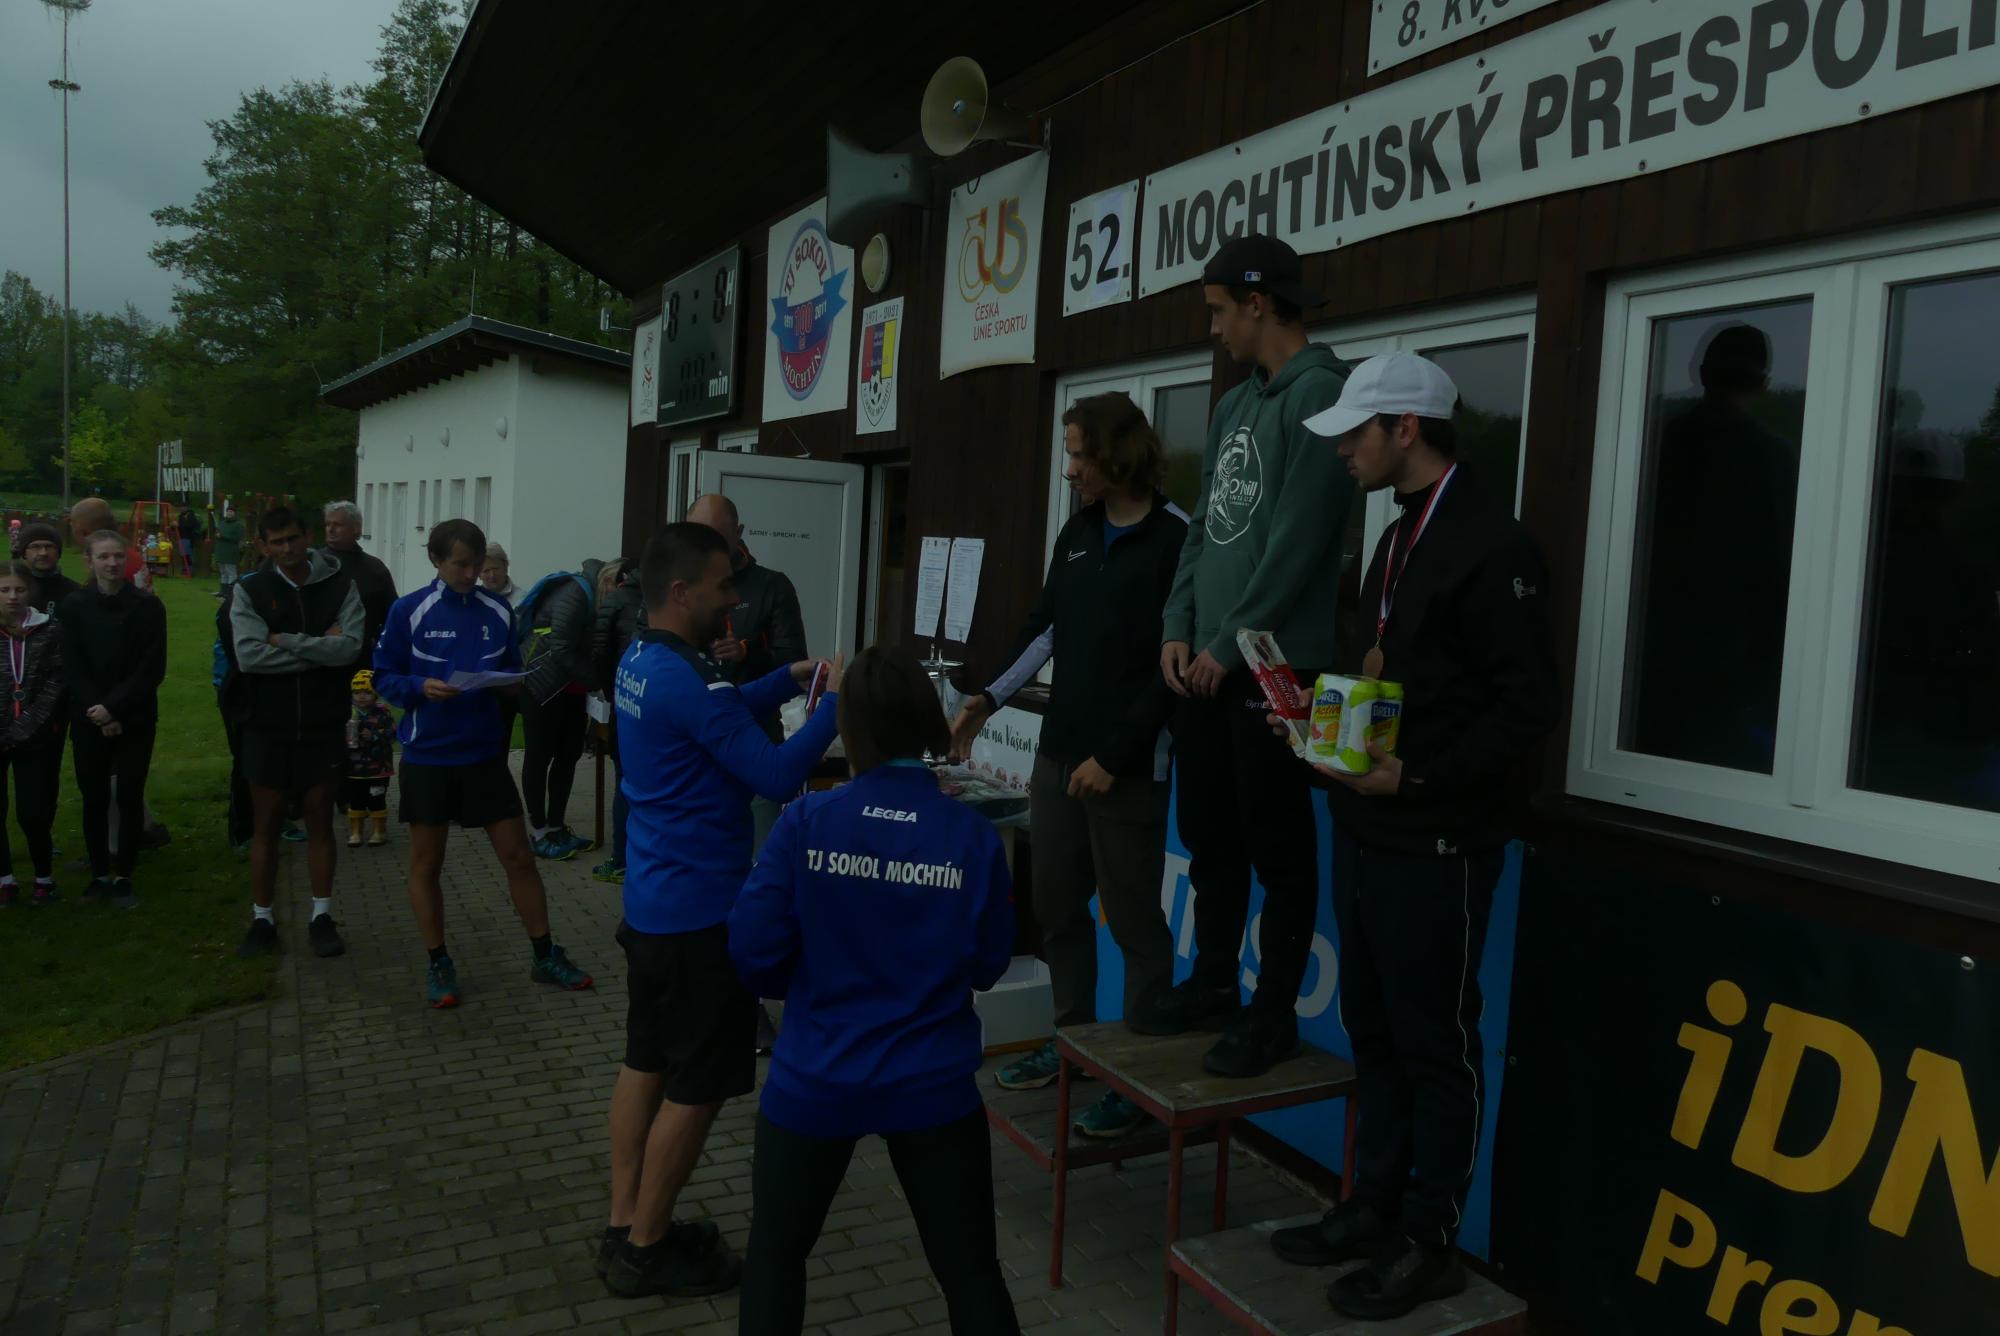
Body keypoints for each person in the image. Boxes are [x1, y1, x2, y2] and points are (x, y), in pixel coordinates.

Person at [1267, 353, 1559, 1321]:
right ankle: (1374, 1205)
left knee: (1435, 1045)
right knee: (1375, 1030)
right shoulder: (1393, 536)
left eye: (1354, 432)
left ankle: (1430, 1240)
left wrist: (1417, 775)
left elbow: (1523, 713)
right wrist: (1319, 724)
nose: (1341, 450)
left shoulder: (1494, 544)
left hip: (1436, 838)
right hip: (1364, 827)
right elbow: (1390, 677)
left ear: (1405, 428)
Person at [732, 646, 1019, 1334]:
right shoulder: (971, 836)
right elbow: (989, 964)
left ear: (847, 728)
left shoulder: (805, 822)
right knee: (971, 1273)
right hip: (932, 1083)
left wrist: (814, 987)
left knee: (774, 1258)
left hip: (814, 1075)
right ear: (926, 721)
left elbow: (751, 952)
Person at [597, 522, 839, 1300]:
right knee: (696, 1087)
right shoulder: (684, 679)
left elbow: (716, 709)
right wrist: (836, 706)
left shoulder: (645, 657)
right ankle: (649, 1248)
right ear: (680, 591)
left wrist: (785, 680)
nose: (734, 599)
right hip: (700, 920)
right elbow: (776, 774)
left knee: (645, 1061)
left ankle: (624, 1223)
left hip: (653, 906)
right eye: (723, 585)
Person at [951, 392, 1187, 1139]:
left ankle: (1137, 1082)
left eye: (1080, 455)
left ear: (1119, 454)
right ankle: (1074, 1044)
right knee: (1057, 910)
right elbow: (1044, 629)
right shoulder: (1078, 531)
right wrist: (988, 698)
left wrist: (1114, 757)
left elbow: (1174, 669)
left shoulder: (1177, 538)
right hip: (1057, 758)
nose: (1070, 470)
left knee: (1137, 926)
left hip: (1128, 770)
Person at [1154, 234, 1354, 1078]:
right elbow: (1204, 526)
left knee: (1279, 848)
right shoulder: (1236, 403)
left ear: (1258, 303)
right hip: (1205, 661)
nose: (1213, 330)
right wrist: (1178, 623)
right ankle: (1213, 982)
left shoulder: (1324, 394)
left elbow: (1298, 544)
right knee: (1210, 834)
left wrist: (1229, 643)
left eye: (1217, 311)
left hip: (1276, 666)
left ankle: (1272, 1018)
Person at [372, 518, 594, 1007]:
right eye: (461, 565)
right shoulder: (409, 610)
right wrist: (419, 687)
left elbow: (512, 668)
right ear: (436, 560)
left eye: (477, 565)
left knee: (518, 856)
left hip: (484, 755)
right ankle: (438, 963)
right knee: (426, 863)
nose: (472, 574)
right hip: (429, 755)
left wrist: (510, 684)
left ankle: (544, 954)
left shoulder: (497, 610)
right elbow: (383, 675)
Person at [686, 492, 808, 1053]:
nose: (706, 547)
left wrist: (747, 655)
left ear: (740, 533)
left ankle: (751, 1000)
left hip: (756, 746)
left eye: (716, 536)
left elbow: (794, 660)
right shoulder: (683, 585)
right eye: (697, 535)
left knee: (755, 875)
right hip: (699, 752)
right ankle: (709, 991)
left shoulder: (772, 586)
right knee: (705, 876)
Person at [229, 506, 364, 960]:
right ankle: (262, 919)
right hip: (266, 725)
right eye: (277, 541)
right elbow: (250, 657)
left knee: (320, 820)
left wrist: (283, 639)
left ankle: (321, 916)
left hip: (323, 724)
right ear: (263, 546)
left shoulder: (341, 585)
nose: (287, 548)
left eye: (293, 538)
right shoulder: (250, 590)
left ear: (308, 536)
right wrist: (318, 648)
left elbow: (349, 648)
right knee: (266, 823)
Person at [57, 529, 166, 908]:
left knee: (130, 795)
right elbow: (72, 665)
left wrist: (115, 708)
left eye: (118, 556)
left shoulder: (148, 607)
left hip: (135, 715)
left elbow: (151, 667)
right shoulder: (74, 607)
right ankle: (99, 872)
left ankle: (124, 875)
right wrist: (99, 712)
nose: (112, 563)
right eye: (103, 556)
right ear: (89, 561)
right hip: (88, 716)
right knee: (95, 797)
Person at [516, 559, 602, 860]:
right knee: (539, 757)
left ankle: (556, 827)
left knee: (568, 756)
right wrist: (597, 681)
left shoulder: (596, 595)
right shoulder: (575, 592)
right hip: (540, 684)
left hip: (571, 689)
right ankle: (538, 832)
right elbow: (562, 646)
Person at [0, 561, 65, 907]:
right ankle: (5, 880)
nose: (12, 596)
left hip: (34, 736)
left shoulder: (49, 629)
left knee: (32, 812)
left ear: (31, 592)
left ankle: (43, 878)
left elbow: (57, 681)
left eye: (19, 589)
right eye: (4, 589)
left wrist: (25, 726)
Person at [589, 557, 643, 884]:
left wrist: (611, 693)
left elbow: (600, 654)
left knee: (624, 781)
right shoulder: (660, 598)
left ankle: (621, 858)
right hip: (648, 701)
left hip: (625, 702)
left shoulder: (616, 602)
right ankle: (635, 858)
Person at [322, 500, 397, 655]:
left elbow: (392, 613)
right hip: (319, 651)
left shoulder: (374, 568)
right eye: (328, 524)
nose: (331, 529)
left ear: (356, 528)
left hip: (363, 654)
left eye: (338, 524)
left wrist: (379, 640)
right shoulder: (313, 564)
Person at [212, 597, 253, 853]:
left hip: (269, 689)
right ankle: (241, 830)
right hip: (237, 690)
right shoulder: (241, 596)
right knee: (244, 760)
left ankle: (275, 818)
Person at [345, 670, 394, 848]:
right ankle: (356, 832)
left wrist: (373, 735)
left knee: (376, 798)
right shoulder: (348, 712)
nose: (361, 696)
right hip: (354, 768)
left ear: (375, 694)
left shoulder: (382, 713)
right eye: (357, 692)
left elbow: (392, 734)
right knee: (356, 800)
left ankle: (379, 831)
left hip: (378, 768)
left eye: (367, 692)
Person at [21, 523, 79, 615]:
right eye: (35, 547)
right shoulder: (11, 591)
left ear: (58, 552)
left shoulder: (76, 593)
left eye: (49, 547)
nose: (43, 553)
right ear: (24, 553)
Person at [213, 502, 246, 596]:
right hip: (221, 551)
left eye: (231, 511)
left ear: (235, 513)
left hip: (231, 551)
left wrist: (223, 536)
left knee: (231, 572)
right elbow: (218, 534)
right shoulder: (222, 523)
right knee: (223, 572)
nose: (229, 513)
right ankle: (223, 591)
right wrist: (218, 535)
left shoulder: (238, 525)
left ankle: (231, 592)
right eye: (228, 511)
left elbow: (238, 538)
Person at [176, 504, 204, 578]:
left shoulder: (191, 515)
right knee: (183, 555)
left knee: (187, 555)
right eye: (180, 507)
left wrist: (178, 525)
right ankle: (185, 570)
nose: (181, 509)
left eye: (182, 507)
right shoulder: (181, 516)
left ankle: (190, 571)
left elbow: (190, 525)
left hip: (188, 537)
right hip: (182, 537)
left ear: (186, 507)